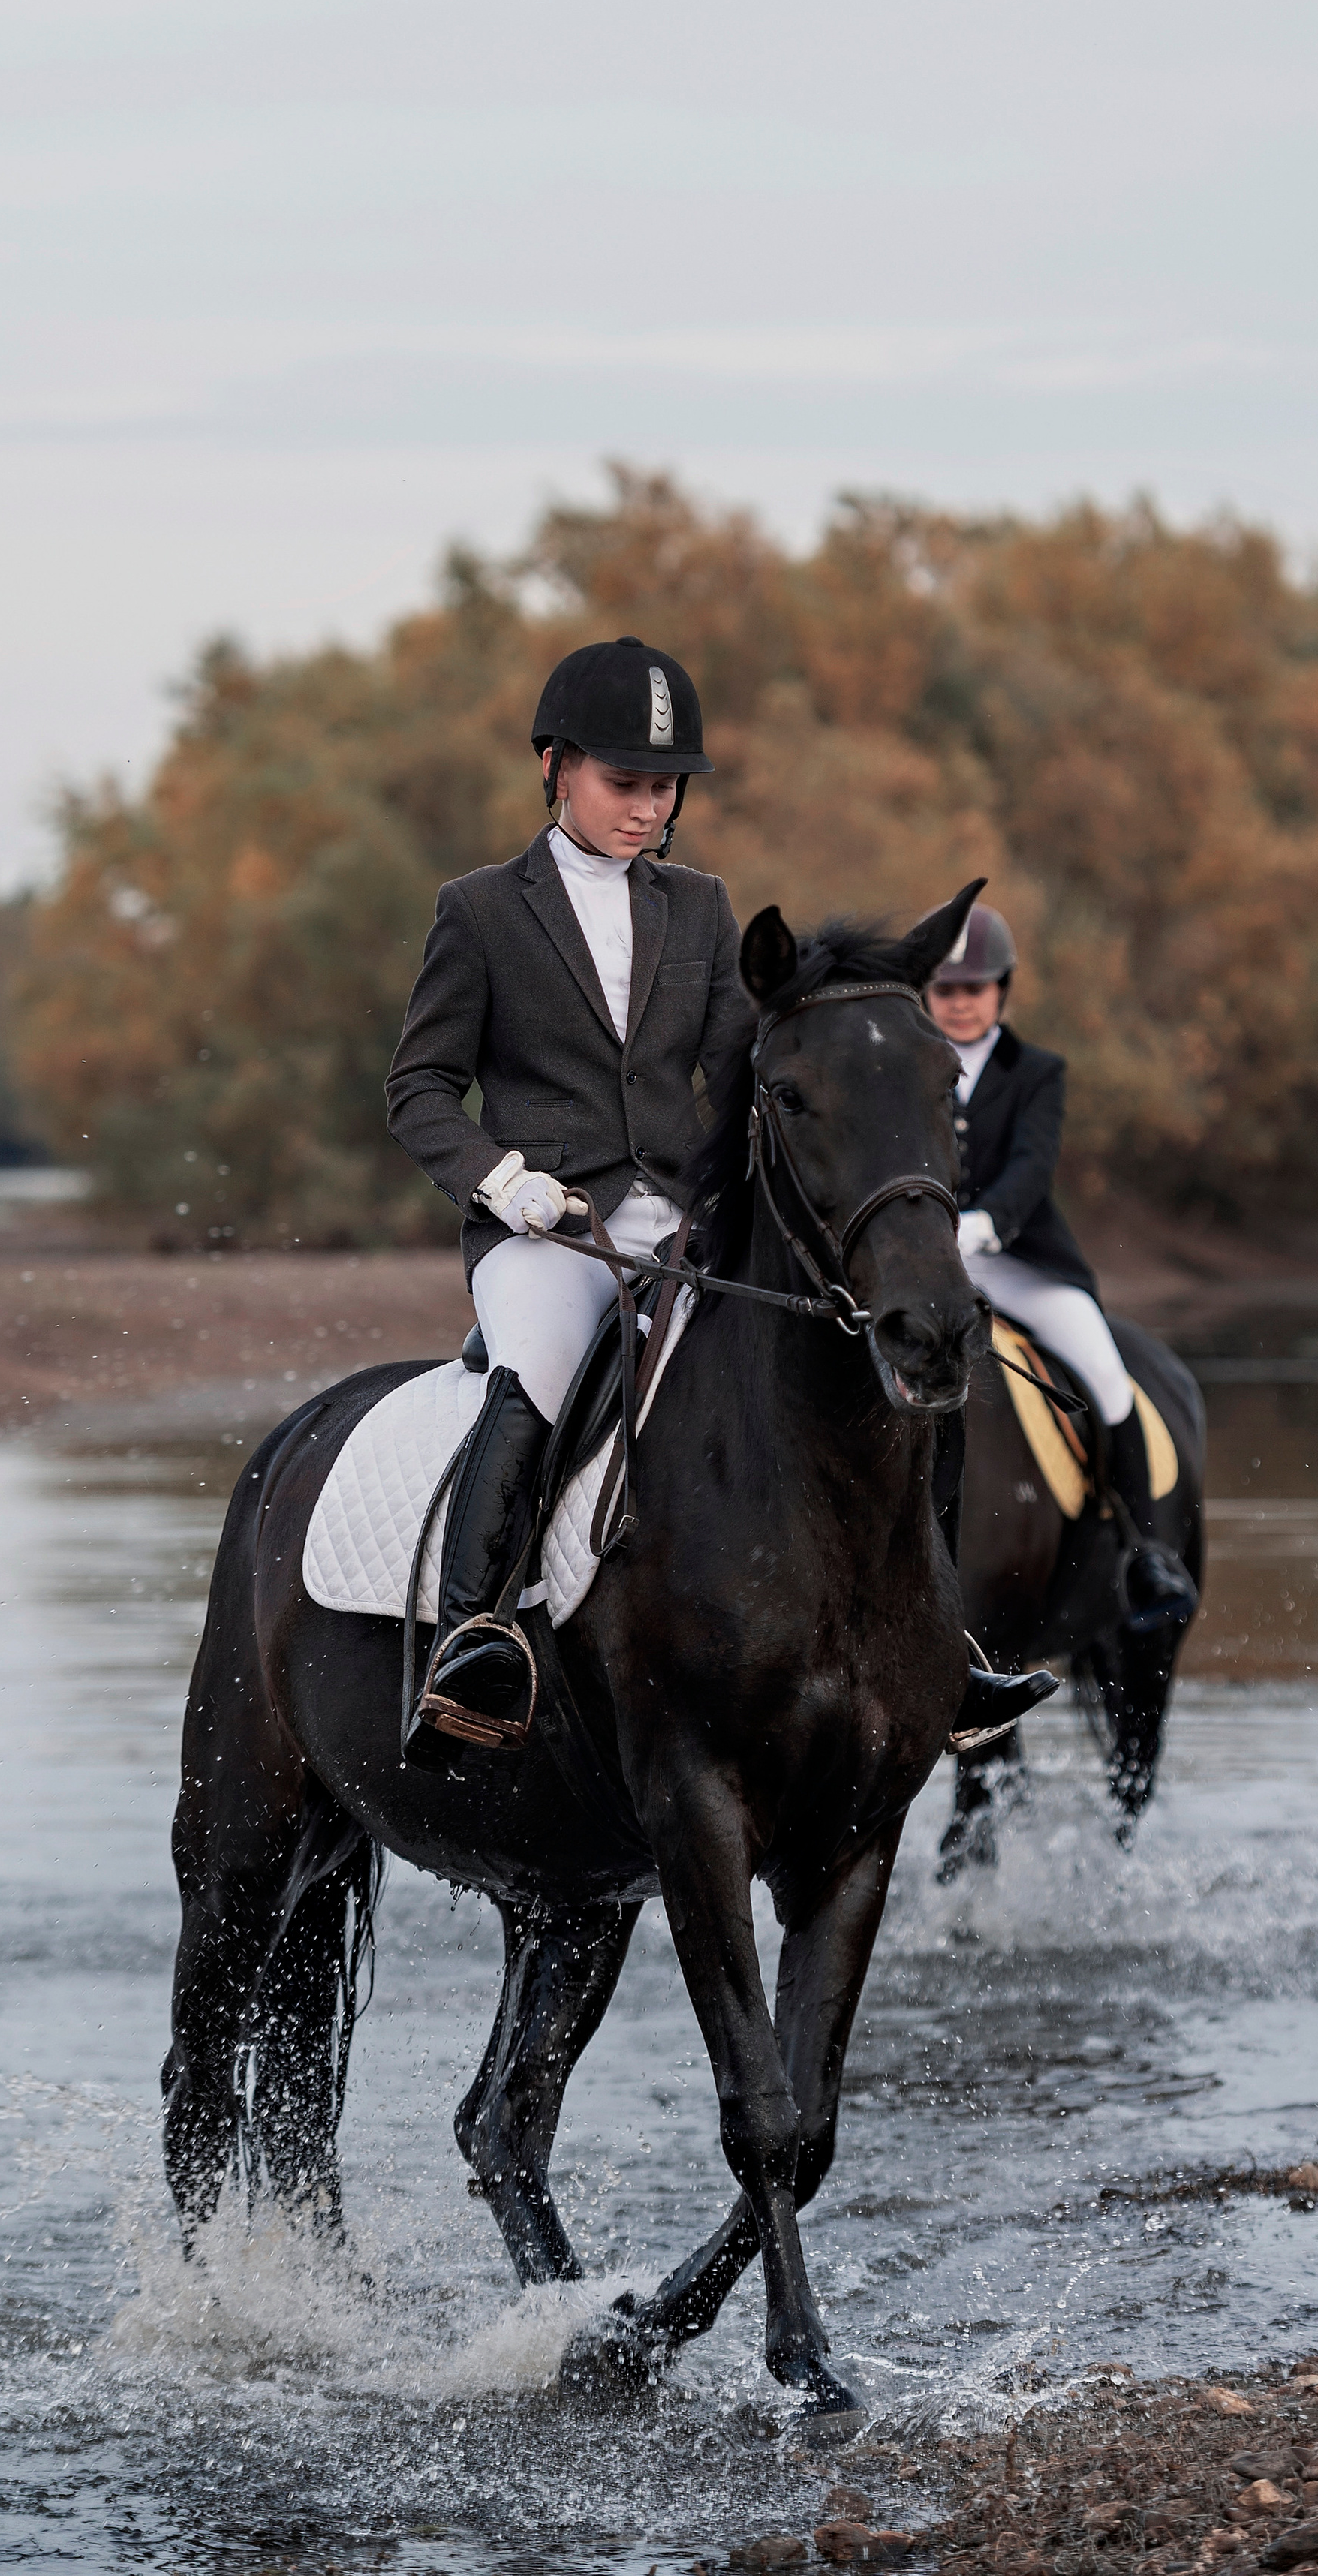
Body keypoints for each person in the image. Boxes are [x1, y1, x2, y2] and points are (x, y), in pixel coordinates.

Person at [385, 636, 1058, 1759]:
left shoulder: (701, 908)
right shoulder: (482, 910)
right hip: (545, 1228)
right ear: (555, 765)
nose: (646, 807)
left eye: (663, 787)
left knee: (852, 1372)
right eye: (623, 783)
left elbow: (744, 1075)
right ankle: (476, 1636)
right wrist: (503, 1181)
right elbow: (417, 1088)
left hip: (675, 1222)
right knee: (543, 1364)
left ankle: (940, 1635)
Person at [928, 904, 1199, 1633]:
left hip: (1020, 1263)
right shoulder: (904, 1059)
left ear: (1001, 992)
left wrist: (981, 1224)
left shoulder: (1036, 1072)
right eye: (946, 989)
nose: (959, 1001)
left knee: (1107, 1376)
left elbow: (1030, 1168)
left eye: (974, 988)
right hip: (922, 1262)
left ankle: (1146, 1551)